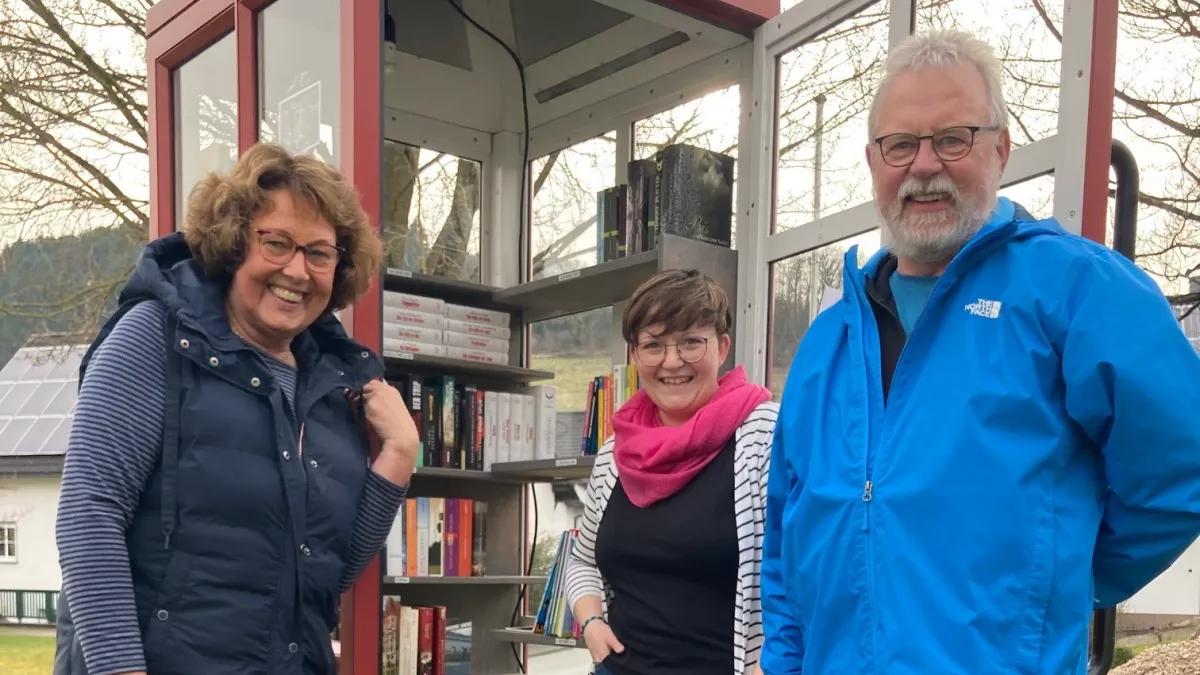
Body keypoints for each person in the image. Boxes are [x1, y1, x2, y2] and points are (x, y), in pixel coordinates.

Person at [761, 30, 1200, 674]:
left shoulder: (1075, 290)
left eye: (953, 138)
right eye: (901, 144)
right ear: (874, 161)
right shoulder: (829, 339)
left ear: (1001, 149)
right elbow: (785, 534)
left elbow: (1181, 470)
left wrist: (1059, 580)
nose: (924, 165)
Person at [53, 143, 419, 675]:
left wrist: (399, 456)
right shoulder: (155, 338)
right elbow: (90, 514)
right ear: (234, 242)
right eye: (277, 243)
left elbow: (327, 573)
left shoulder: (332, 385)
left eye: (319, 253)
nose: (298, 270)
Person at [563, 269, 778, 675]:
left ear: (722, 347)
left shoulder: (766, 436)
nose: (672, 361)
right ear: (634, 355)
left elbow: (805, 566)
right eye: (653, 345)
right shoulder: (615, 453)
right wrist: (591, 622)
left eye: (691, 342)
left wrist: (774, 660)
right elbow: (581, 561)